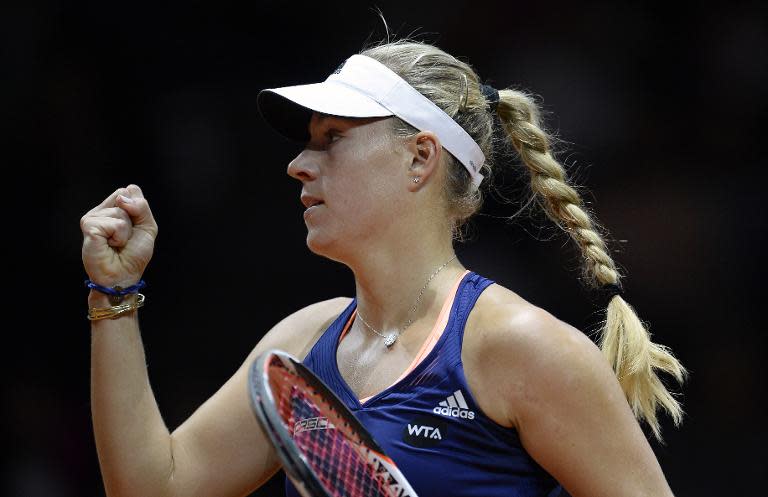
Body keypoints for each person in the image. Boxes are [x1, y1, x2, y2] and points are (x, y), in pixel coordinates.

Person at [80, 39, 686, 497]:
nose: (298, 164)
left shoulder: (520, 348)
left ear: (419, 157)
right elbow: (152, 488)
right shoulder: (303, 345)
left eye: (332, 138)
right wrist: (113, 295)